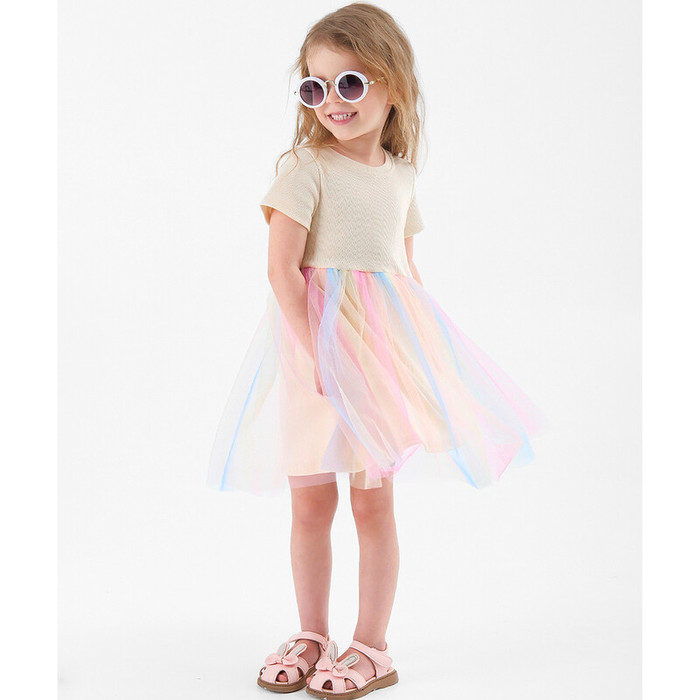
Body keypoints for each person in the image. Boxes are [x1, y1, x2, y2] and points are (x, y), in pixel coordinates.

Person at [207, 3, 546, 697]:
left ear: (393, 85)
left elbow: (402, 270)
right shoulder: (306, 168)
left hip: (378, 356)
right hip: (311, 357)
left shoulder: (400, 176)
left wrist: (421, 355)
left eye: (351, 83)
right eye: (315, 86)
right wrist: (317, 355)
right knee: (310, 504)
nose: (332, 101)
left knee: (373, 504)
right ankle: (312, 632)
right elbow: (281, 271)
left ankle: (372, 645)